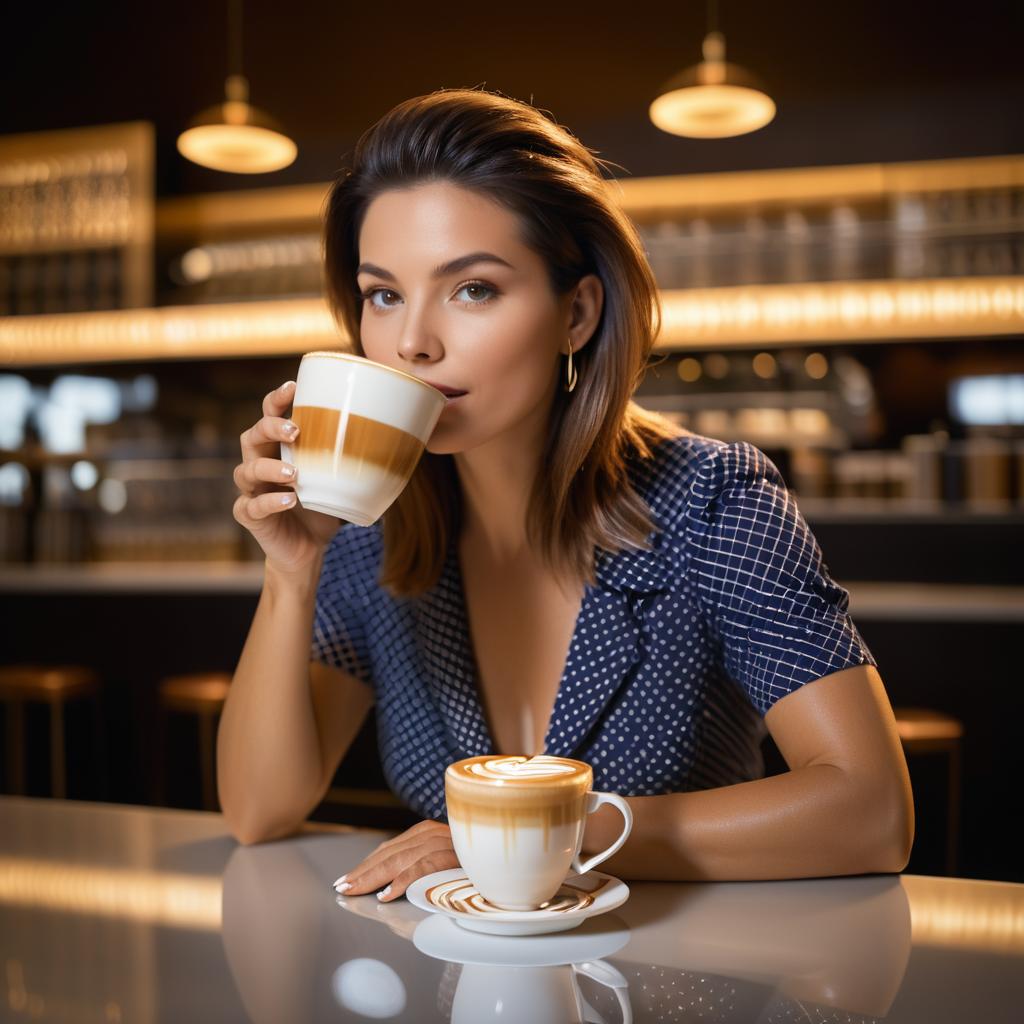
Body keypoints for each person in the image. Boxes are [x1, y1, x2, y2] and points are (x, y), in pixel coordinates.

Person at [218, 87, 914, 901]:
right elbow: (258, 811)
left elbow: (872, 812)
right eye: (384, 294)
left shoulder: (712, 499)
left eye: (472, 288)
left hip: (692, 982)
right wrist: (291, 569)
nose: (412, 342)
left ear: (577, 313)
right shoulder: (372, 529)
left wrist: (534, 836)